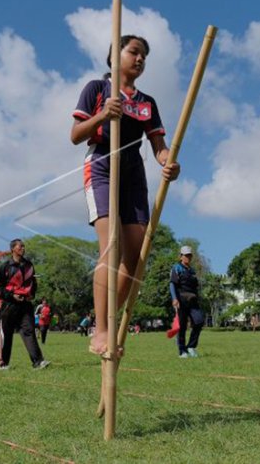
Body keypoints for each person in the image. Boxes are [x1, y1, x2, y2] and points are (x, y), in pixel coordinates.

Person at [71, 35, 180, 356]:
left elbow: (159, 147)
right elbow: (76, 136)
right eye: (134, 51)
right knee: (111, 248)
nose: (140, 58)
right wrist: (103, 115)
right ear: (114, 55)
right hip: (102, 163)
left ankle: (108, 317)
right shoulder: (97, 88)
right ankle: (101, 331)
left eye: (144, 55)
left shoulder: (148, 101)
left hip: (134, 172)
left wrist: (169, 163)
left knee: (136, 258)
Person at [0, 239, 49, 370]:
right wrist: (11, 295)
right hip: (9, 305)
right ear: (13, 249)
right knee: (6, 334)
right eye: (20, 247)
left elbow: (33, 283)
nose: (23, 249)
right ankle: (3, 363)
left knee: (29, 331)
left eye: (24, 246)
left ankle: (38, 362)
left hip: (26, 304)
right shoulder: (5, 266)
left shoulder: (29, 265)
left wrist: (32, 294)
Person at [169, 246, 204, 358]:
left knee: (199, 321)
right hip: (181, 300)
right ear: (181, 256)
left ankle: (191, 347)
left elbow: (196, 288)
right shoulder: (176, 268)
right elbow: (172, 284)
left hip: (193, 301)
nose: (188, 257)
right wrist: (174, 298)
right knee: (182, 326)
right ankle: (182, 351)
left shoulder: (192, 271)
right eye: (186, 255)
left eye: (190, 255)